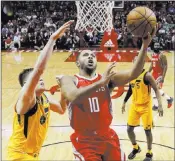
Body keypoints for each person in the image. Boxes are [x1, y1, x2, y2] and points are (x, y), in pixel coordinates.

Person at [57, 25, 158, 161]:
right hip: (85, 142)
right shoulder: (69, 79)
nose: (90, 57)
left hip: (108, 137)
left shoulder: (107, 79)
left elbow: (134, 73)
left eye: (93, 55)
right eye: (86, 55)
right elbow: (74, 97)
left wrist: (145, 45)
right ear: (77, 63)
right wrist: (100, 83)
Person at [7, 20, 74, 161]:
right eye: (36, 78)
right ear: (27, 84)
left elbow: (62, 109)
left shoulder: (44, 98)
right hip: (18, 156)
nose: (41, 78)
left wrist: (63, 89)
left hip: (32, 155)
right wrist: (52, 39)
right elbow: (38, 70)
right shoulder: (26, 99)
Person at [121, 56, 163, 161]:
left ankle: (149, 153)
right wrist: (124, 102)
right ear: (133, 62)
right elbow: (130, 89)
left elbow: (156, 90)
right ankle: (136, 148)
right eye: (136, 62)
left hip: (145, 107)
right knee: (129, 129)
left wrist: (160, 105)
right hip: (135, 106)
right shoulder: (131, 75)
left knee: (147, 131)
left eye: (140, 62)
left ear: (143, 63)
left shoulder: (147, 75)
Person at [149, 42, 173, 109]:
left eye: (157, 45)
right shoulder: (152, 54)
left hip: (159, 74)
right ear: (153, 46)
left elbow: (165, 66)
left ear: (159, 47)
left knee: (155, 89)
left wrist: (163, 77)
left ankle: (156, 105)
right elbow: (152, 64)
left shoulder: (162, 55)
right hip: (153, 74)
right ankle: (169, 99)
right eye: (155, 45)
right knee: (154, 89)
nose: (156, 47)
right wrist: (148, 72)